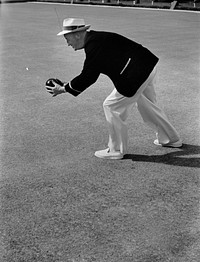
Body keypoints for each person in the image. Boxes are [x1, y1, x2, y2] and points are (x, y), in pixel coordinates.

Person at [46, 18, 182, 160]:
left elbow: (88, 76)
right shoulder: (96, 38)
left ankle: (116, 150)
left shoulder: (93, 45)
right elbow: (90, 73)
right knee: (147, 105)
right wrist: (67, 85)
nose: (67, 44)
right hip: (147, 65)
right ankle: (171, 138)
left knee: (111, 106)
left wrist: (62, 89)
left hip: (135, 75)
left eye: (67, 39)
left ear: (77, 35)